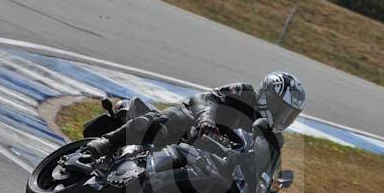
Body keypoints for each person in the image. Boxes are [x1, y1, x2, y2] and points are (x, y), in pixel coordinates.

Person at [84, 72, 306, 158]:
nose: (283, 117)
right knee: (168, 122)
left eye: (290, 114)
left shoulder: (273, 138)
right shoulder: (244, 92)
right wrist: (206, 119)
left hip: (214, 156)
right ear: (268, 95)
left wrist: (269, 192)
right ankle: (107, 143)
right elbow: (209, 99)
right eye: (282, 108)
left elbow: (267, 167)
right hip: (193, 123)